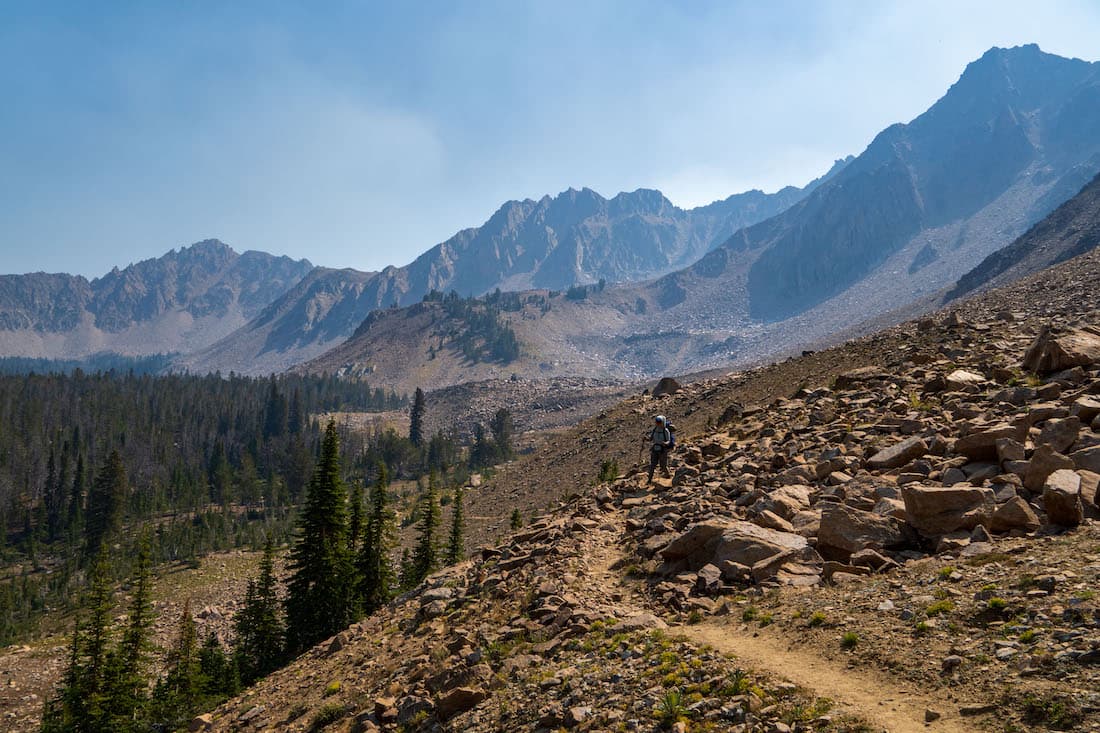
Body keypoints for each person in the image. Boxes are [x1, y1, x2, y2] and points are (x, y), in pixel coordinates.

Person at [646, 414, 672, 482]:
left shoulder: (665, 431)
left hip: (663, 450)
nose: (658, 423)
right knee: (652, 465)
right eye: (657, 422)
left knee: (663, 465)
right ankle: (649, 480)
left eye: (659, 422)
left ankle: (668, 475)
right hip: (655, 448)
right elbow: (651, 439)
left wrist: (665, 443)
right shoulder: (655, 429)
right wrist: (646, 439)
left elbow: (668, 441)